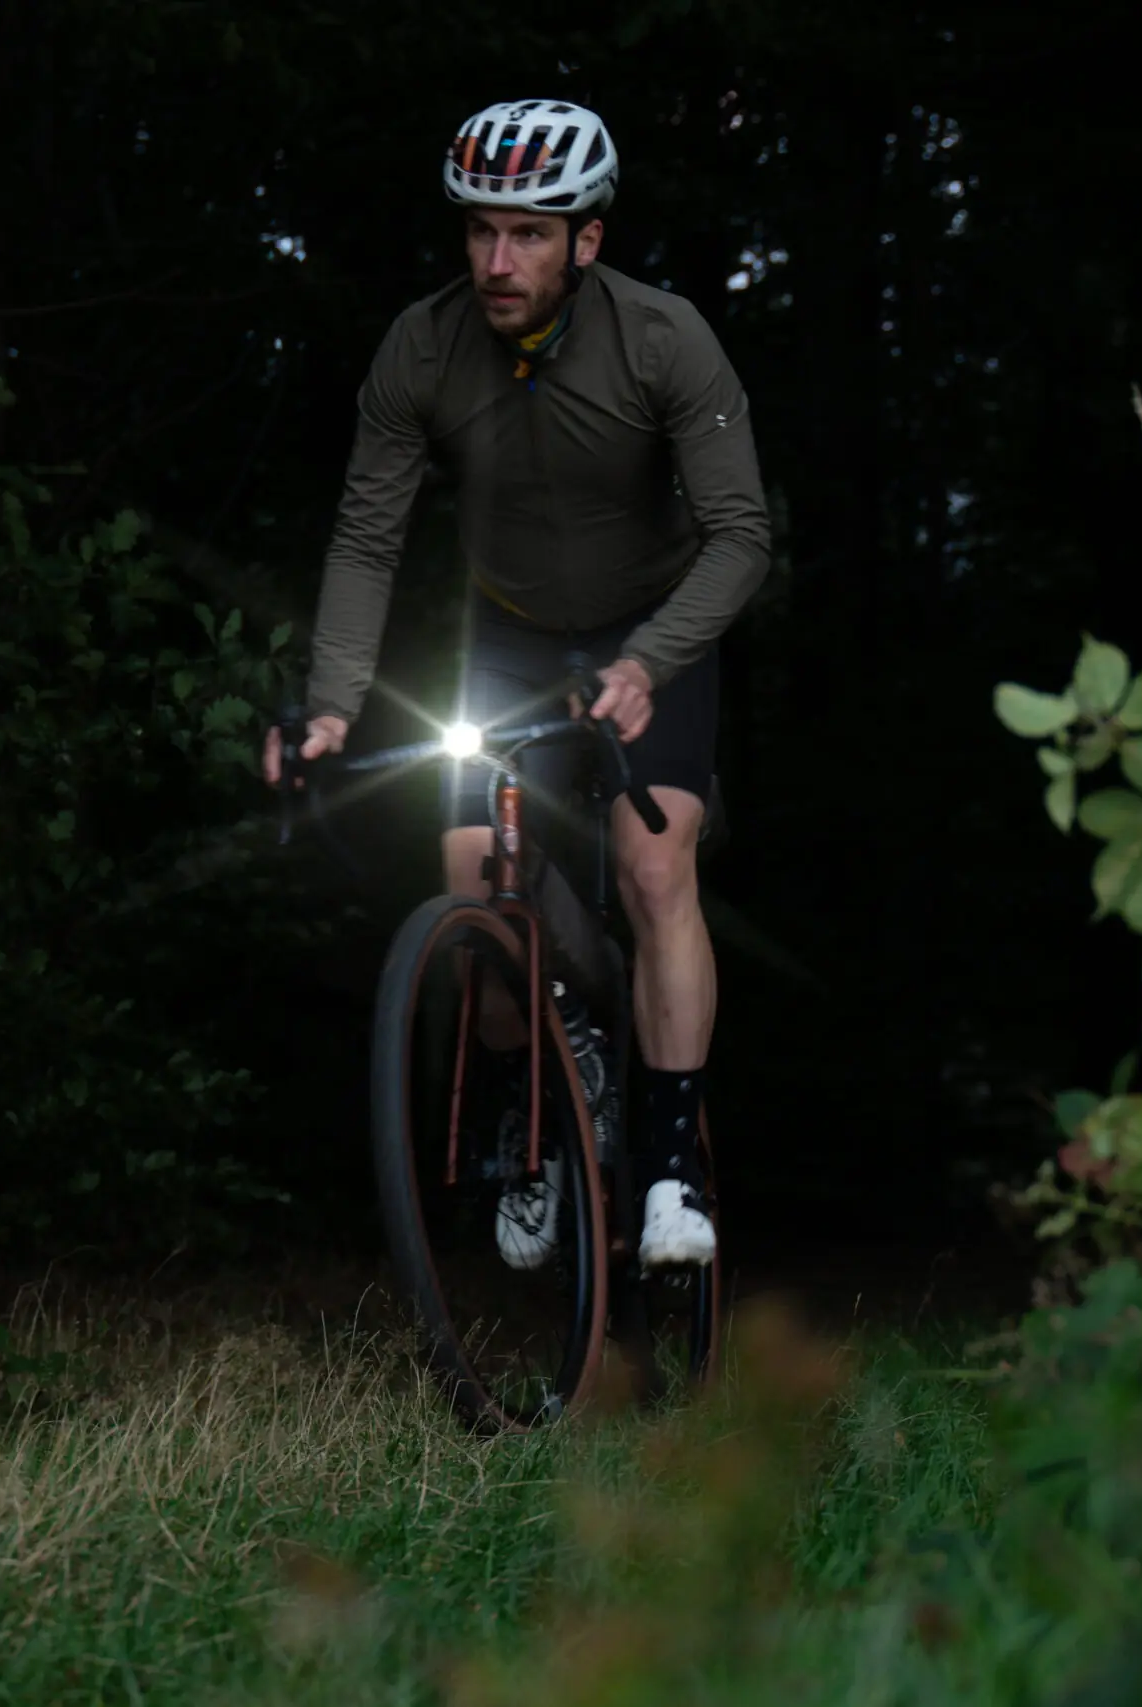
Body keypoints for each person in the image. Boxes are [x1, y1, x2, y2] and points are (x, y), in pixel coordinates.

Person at [263, 98, 772, 1269]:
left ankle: (671, 1170)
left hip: (652, 628)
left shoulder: (664, 339)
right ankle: (538, 1105)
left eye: (529, 235)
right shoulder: (422, 348)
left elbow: (742, 534)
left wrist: (649, 661)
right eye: (480, 231)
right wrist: (333, 703)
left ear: (585, 240)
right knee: (474, 879)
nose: (498, 262)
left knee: (655, 866)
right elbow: (367, 537)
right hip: (513, 631)